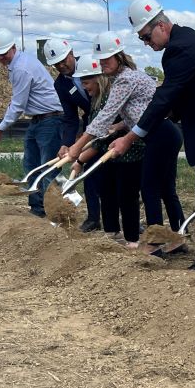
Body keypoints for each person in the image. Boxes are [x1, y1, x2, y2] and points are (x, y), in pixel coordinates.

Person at [109, 0, 195, 276]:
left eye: (146, 37)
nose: (147, 44)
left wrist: (130, 136)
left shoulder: (179, 49)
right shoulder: (191, 40)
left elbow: (165, 96)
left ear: (160, 26)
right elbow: (182, 94)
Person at [61, 32, 178, 252]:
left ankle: (155, 245)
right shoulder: (124, 77)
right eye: (101, 61)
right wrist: (120, 127)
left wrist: (77, 147)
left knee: (150, 189)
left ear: (119, 56)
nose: (103, 64)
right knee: (157, 188)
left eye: (106, 60)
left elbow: (106, 114)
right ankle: (172, 239)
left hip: (161, 134)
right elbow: (138, 111)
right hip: (156, 133)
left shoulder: (125, 79)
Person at [0, 28, 64, 218]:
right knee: (31, 165)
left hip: (51, 120)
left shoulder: (21, 67)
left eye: (3, 53)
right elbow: (17, 101)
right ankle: (37, 210)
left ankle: (54, 212)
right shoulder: (17, 64)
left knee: (48, 167)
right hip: (38, 120)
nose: (1, 58)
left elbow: (18, 105)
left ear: (13, 48)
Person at [70, 55, 144, 247]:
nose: (85, 87)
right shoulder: (96, 100)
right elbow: (95, 132)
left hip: (129, 151)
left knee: (126, 196)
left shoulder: (110, 98)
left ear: (99, 79)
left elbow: (103, 135)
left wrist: (80, 158)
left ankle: (132, 240)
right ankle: (112, 232)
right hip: (110, 154)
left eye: (86, 82)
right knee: (107, 191)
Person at [42, 38, 101, 233]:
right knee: (89, 171)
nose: (61, 65)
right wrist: (65, 144)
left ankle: (125, 218)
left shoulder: (91, 65)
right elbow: (70, 117)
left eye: (63, 60)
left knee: (114, 173)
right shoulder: (60, 84)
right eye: (56, 64)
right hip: (90, 123)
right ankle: (94, 217)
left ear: (71, 52)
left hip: (113, 121)